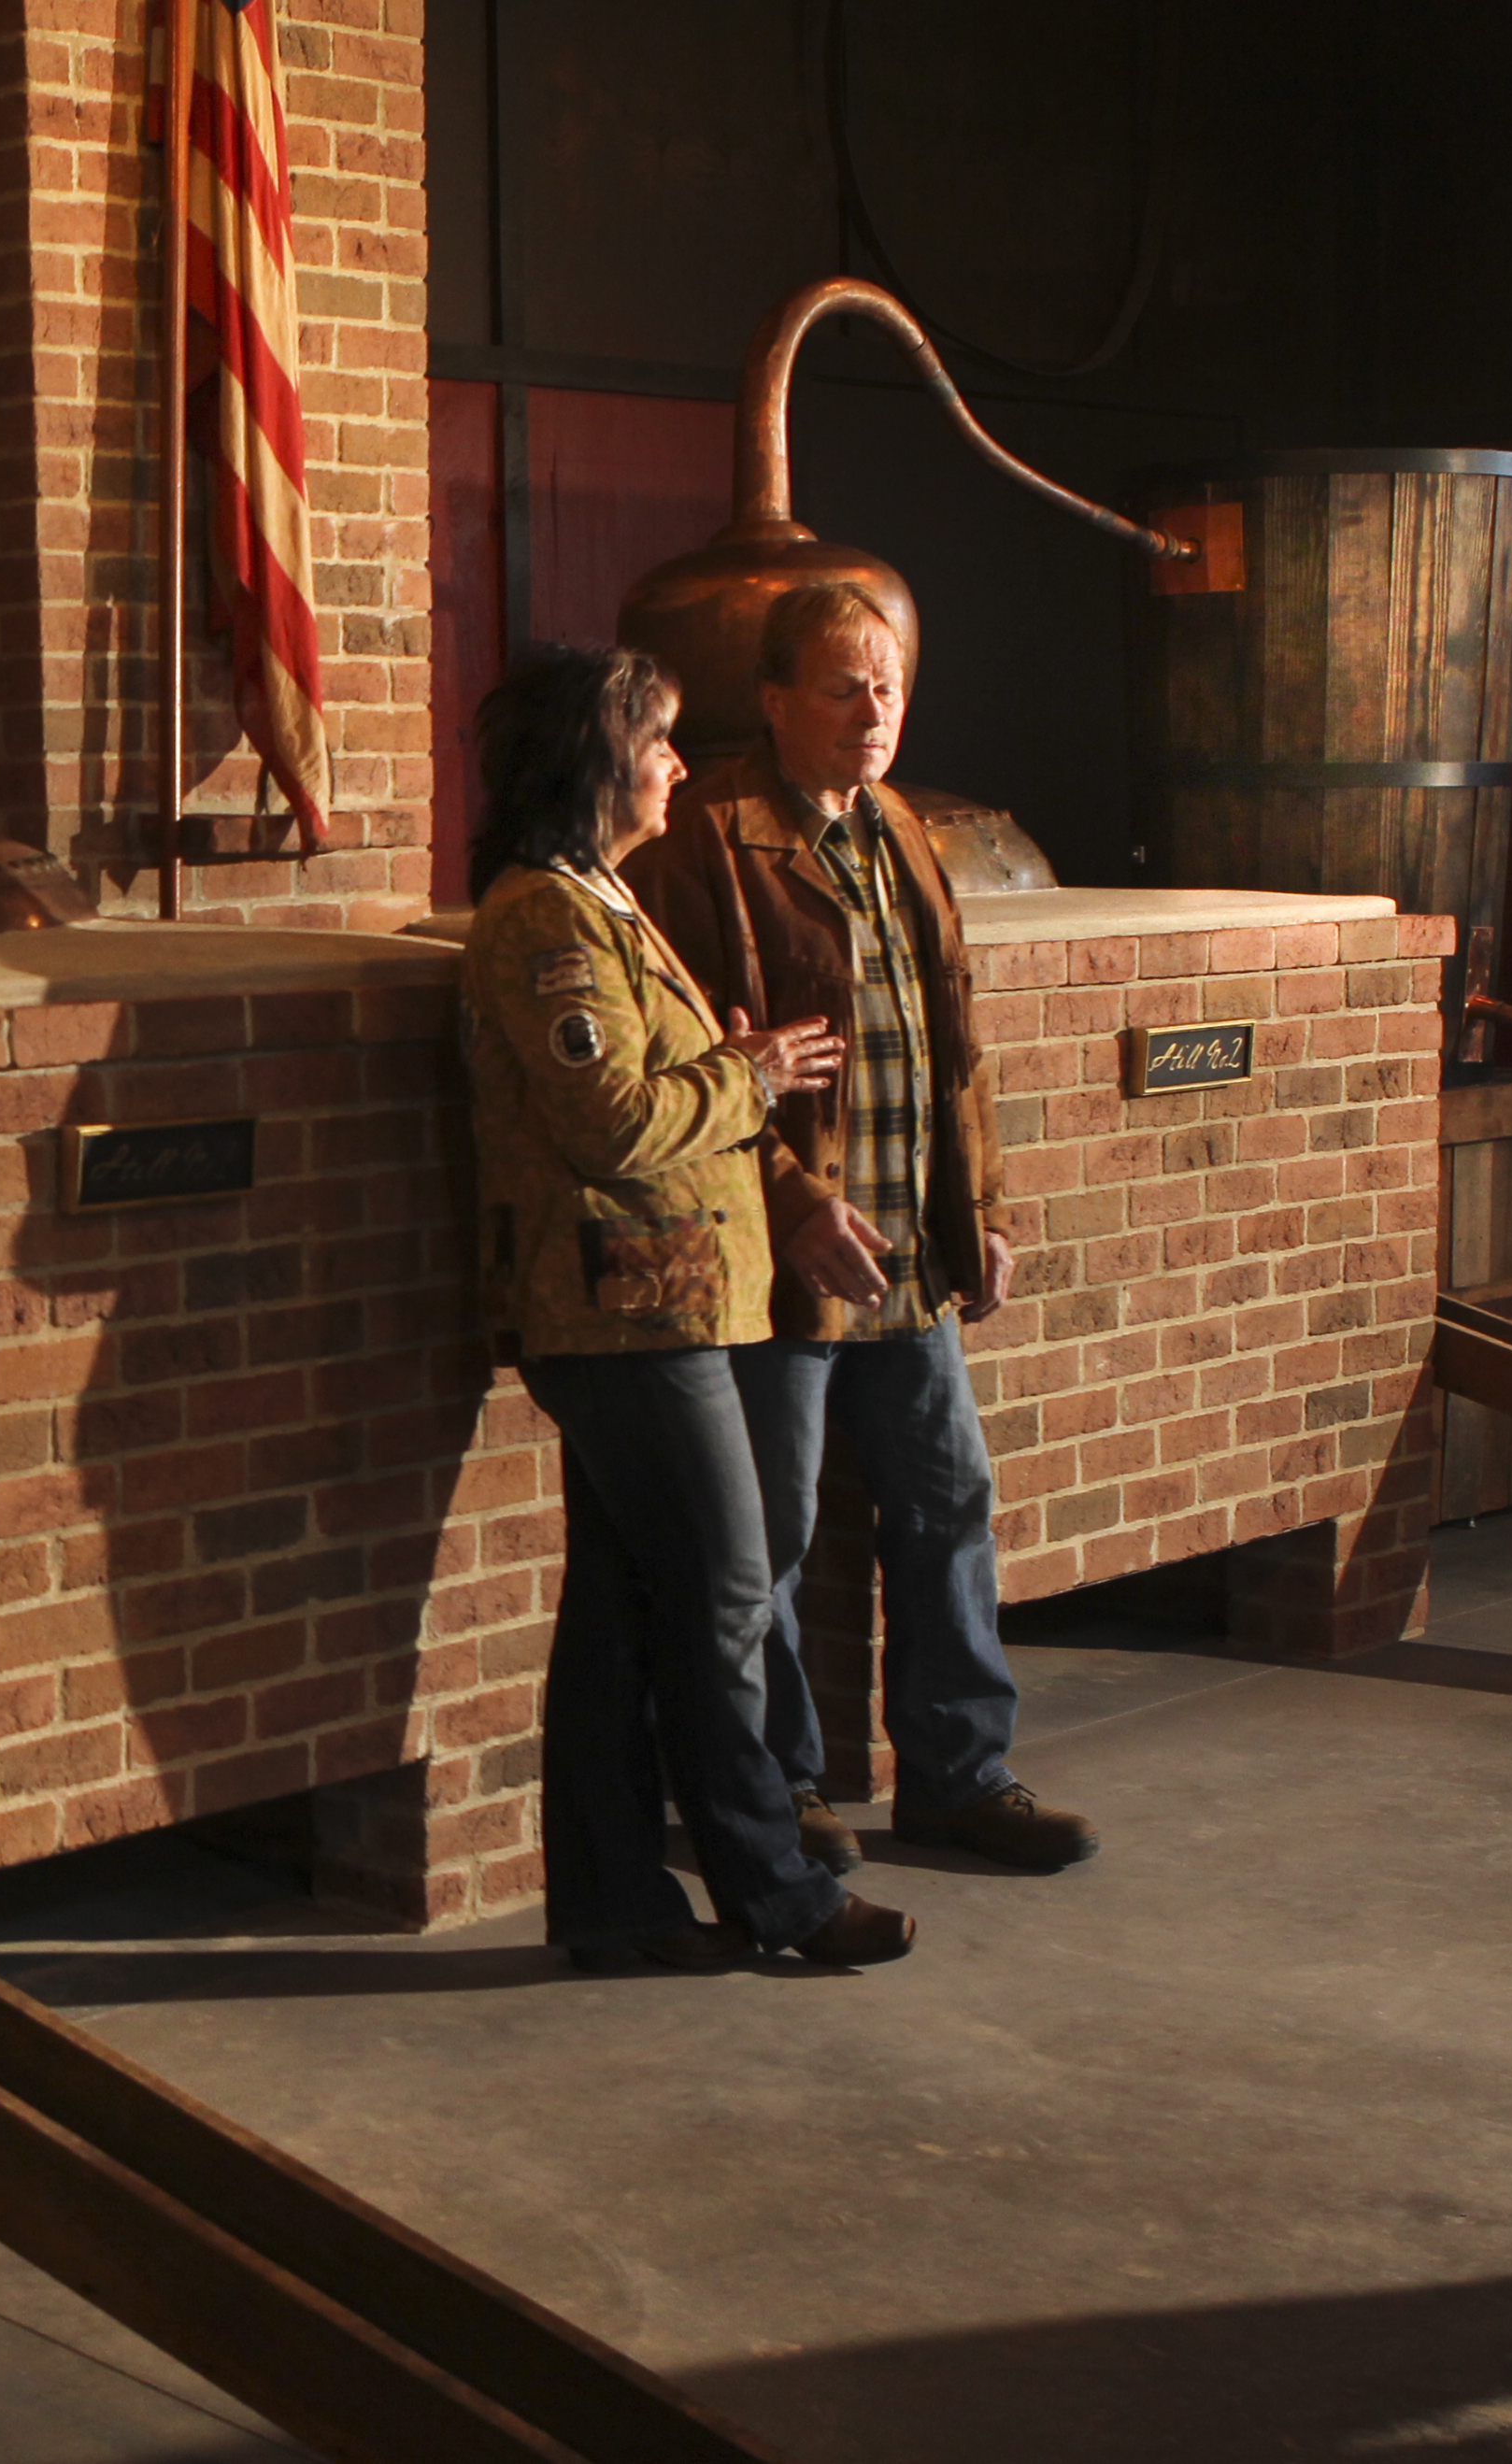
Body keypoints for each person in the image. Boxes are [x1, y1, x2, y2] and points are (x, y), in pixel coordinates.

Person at [620, 580, 1098, 1873]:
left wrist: (982, 1211)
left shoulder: (899, 827)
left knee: (950, 1505)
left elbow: (959, 1051)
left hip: (910, 1262)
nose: (874, 710)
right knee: (767, 1536)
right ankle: (784, 1793)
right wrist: (788, 1199)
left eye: (887, 685)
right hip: (789, 1269)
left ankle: (958, 1774)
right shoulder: (706, 840)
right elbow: (692, 1063)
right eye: (843, 684)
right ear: (773, 701)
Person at [464, 645, 915, 1972]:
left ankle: (614, 1907)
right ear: (597, 762)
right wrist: (751, 1072)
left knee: (618, 1620)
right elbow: (608, 1124)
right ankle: (780, 1893)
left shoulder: (599, 899)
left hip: (666, 1308)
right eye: (656, 741)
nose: (674, 763)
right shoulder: (545, 919)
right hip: (625, 1317)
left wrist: (721, 1064)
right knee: (725, 1593)